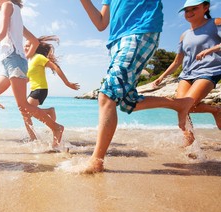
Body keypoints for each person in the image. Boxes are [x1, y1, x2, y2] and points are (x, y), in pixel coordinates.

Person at [79, 0, 194, 173]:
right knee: (128, 102)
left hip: (140, 31)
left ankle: (97, 161)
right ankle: (178, 104)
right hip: (116, 41)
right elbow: (101, 23)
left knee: (107, 94)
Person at [0, 0, 64, 148]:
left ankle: (56, 128)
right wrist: (25, 58)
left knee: (23, 106)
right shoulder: (16, 14)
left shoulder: (7, 5)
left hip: (13, 60)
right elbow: (34, 42)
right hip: (9, 62)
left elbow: (2, 31)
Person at [153, 0, 221, 146]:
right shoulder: (184, 35)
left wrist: (211, 50)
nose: (189, 13)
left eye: (194, 9)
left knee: (186, 105)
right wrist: (161, 77)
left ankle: (215, 111)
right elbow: (177, 61)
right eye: (186, 10)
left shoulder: (216, 23)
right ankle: (189, 143)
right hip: (187, 74)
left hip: (209, 71)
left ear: (206, 7)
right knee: (180, 107)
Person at [23, 35, 80, 141]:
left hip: (40, 89)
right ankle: (34, 138)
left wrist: (67, 83)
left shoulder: (39, 57)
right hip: (34, 89)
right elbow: (29, 78)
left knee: (26, 110)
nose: (25, 48)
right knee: (25, 113)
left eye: (28, 46)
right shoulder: (30, 61)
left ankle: (56, 128)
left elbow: (55, 67)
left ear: (34, 47)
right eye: (24, 46)